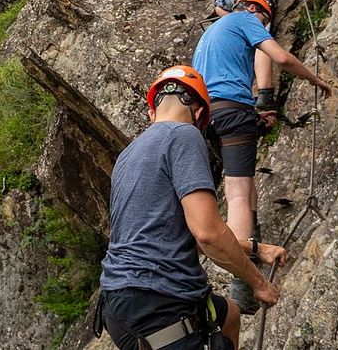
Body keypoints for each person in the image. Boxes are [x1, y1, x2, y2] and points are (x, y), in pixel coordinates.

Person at [98, 65, 287, 350]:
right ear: (199, 114)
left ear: (153, 112)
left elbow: (177, 235)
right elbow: (208, 234)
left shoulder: (127, 156)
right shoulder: (184, 136)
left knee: (229, 315)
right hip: (158, 301)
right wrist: (259, 282)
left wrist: (258, 249)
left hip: (118, 300)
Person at [192, 0, 332, 314]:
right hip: (232, 112)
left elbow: (216, 84)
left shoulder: (211, 33)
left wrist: (254, 118)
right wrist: (315, 80)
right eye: (265, 22)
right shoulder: (244, 19)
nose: (263, 28)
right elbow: (280, 58)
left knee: (244, 187)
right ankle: (243, 285)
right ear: (255, 11)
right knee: (238, 195)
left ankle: (249, 250)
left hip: (207, 117)